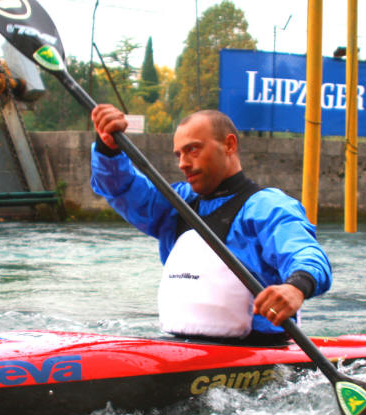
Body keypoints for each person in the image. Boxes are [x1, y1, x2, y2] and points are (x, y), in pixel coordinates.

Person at [90, 103, 332, 344]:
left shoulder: (269, 207)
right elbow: (121, 188)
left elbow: (306, 254)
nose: (182, 163)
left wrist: (296, 287)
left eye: (193, 149)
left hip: (258, 351)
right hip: (180, 346)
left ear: (229, 145)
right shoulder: (176, 204)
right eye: (179, 154)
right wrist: (108, 148)